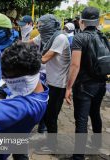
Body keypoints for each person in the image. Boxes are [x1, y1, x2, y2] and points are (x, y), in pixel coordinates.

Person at [65, 7, 109, 160]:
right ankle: (96, 145)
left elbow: (75, 65)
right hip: (101, 85)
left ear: (81, 21)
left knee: (82, 120)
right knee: (95, 114)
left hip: (84, 87)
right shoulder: (102, 37)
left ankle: (78, 156)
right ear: (97, 22)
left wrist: (68, 87)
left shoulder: (79, 38)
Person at [30, 14, 71, 153]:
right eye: (38, 25)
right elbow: (30, 42)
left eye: (41, 26)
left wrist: (23, 58)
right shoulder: (46, 37)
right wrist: (15, 46)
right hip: (50, 81)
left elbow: (45, 58)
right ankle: (49, 141)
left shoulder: (60, 37)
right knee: (46, 114)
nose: (39, 28)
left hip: (59, 84)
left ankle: (52, 146)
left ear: (49, 25)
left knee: (51, 116)